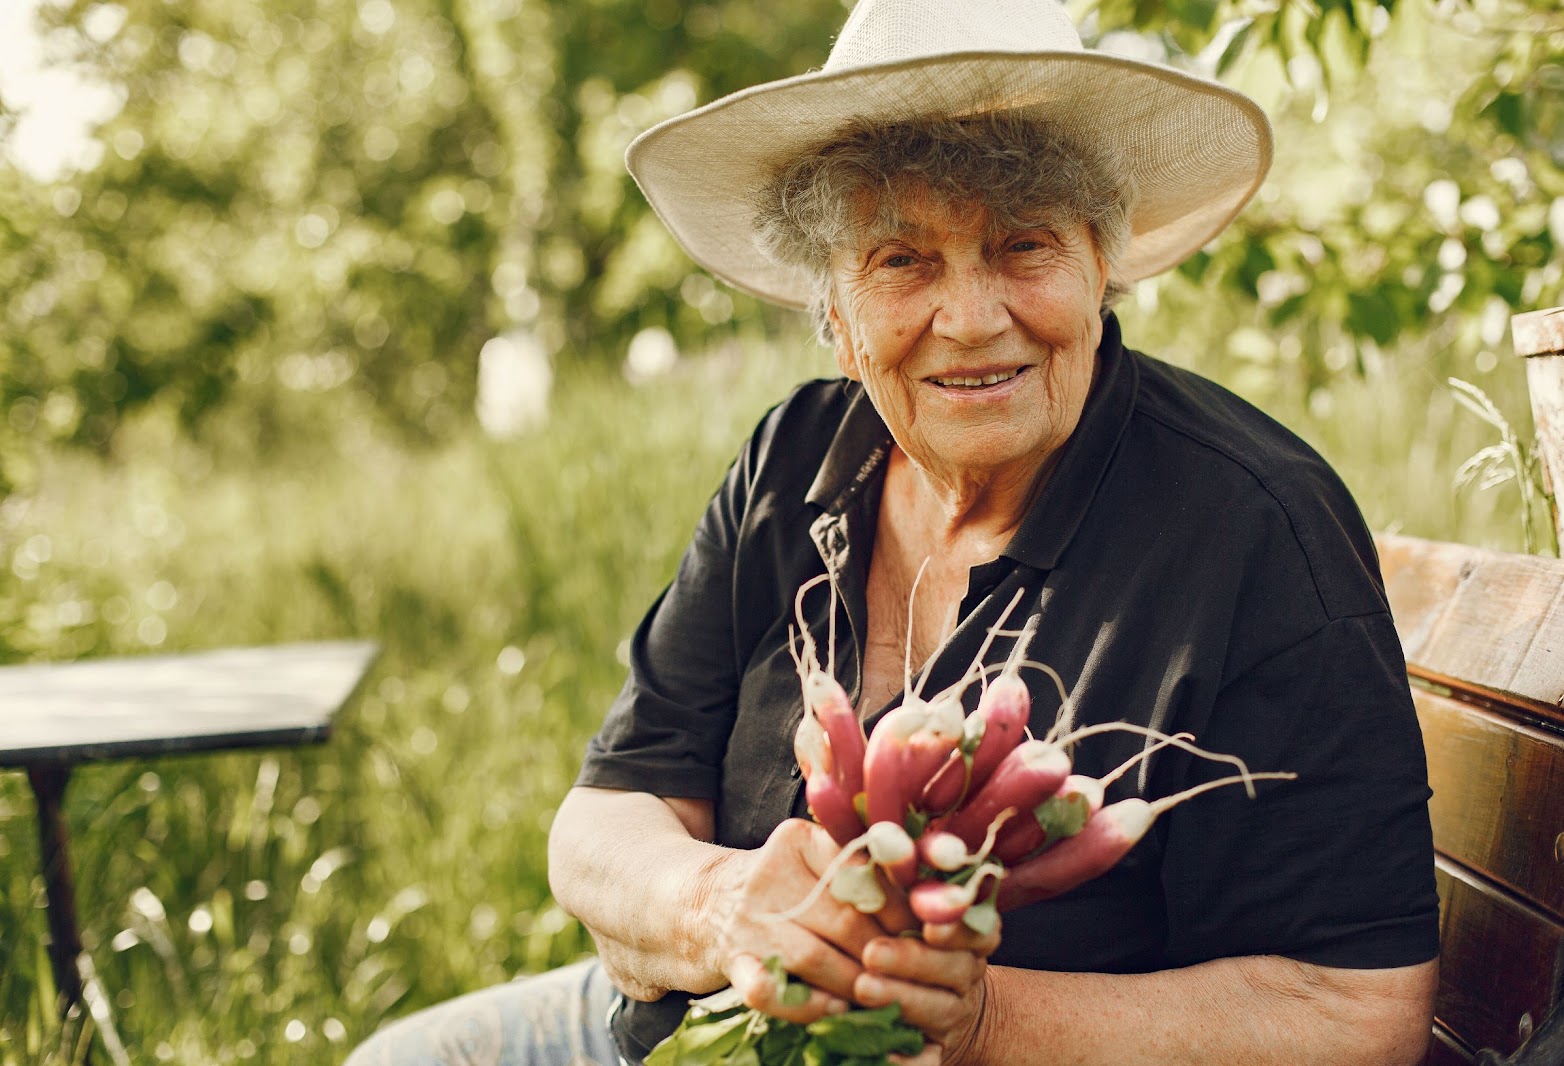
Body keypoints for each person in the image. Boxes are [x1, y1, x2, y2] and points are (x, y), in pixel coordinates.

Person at [346, 0, 1440, 1063]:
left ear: (1103, 264)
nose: (969, 318)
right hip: (699, 1022)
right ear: (833, 305)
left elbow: (1350, 1010)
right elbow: (607, 816)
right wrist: (718, 907)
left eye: (1023, 246)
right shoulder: (794, 458)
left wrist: (982, 1025)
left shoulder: (1253, 528)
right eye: (902, 259)